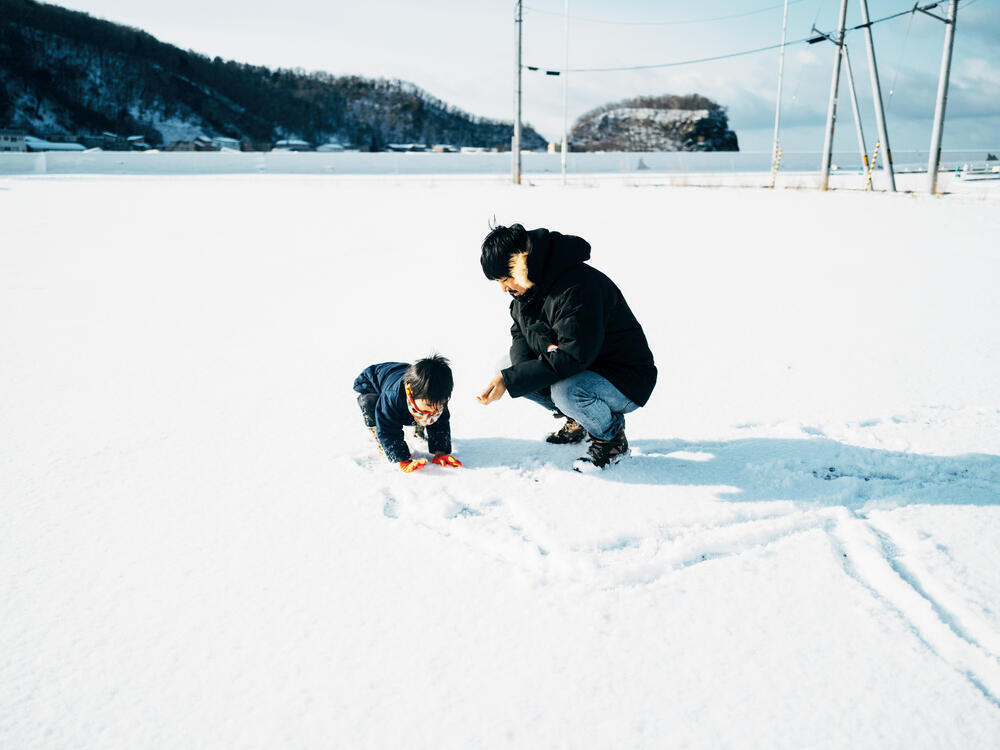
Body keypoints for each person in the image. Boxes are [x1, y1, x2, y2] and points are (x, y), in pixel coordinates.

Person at [477, 224, 656, 471]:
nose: (503, 288)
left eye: (505, 279)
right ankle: (580, 418)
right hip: (585, 369)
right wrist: (515, 374)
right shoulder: (527, 289)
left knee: (566, 391)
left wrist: (512, 380)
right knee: (506, 366)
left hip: (624, 378)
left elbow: (573, 355)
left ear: (520, 264)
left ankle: (611, 438)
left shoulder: (578, 288)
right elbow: (521, 332)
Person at [354, 355, 462, 472]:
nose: (434, 411)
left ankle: (418, 429)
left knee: (427, 412)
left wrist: (440, 452)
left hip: (404, 378)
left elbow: (440, 423)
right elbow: (388, 428)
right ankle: (381, 443)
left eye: (440, 404)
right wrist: (402, 458)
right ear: (411, 392)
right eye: (429, 406)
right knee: (371, 404)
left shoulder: (436, 398)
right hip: (371, 382)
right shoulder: (392, 396)